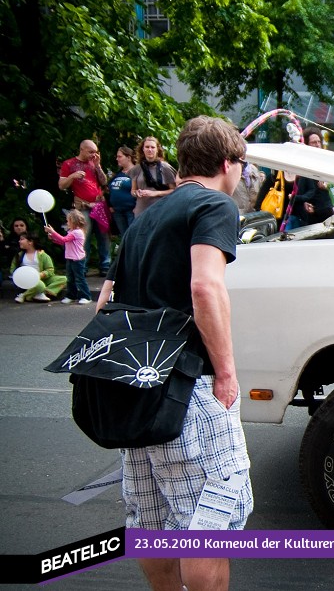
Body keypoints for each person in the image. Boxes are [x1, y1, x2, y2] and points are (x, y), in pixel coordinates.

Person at [97, 116, 253, 591]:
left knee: (153, 521)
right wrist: (225, 372)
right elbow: (205, 286)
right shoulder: (214, 206)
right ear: (227, 163)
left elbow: (104, 303)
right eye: (241, 167)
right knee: (208, 518)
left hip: (137, 387)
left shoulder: (145, 219)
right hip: (188, 387)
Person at [58, 139, 111, 275]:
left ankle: (105, 266)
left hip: (99, 204)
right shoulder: (69, 163)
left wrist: (98, 166)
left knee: (103, 235)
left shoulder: (94, 163)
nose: (93, 155)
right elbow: (61, 185)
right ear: (82, 149)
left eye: (95, 152)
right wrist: (72, 176)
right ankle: (83, 266)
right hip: (82, 205)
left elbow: (104, 182)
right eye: (90, 152)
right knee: (83, 236)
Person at [45, 210, 93, 304]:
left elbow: (64, 240)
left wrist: (53, 232)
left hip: (77, 259)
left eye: (68, 221)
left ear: (74, 221)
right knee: (70, 278)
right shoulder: (71, 231)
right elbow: (64, 242)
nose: (67, 223)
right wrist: (54, 238)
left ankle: (86, 296)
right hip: (71, 258)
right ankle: (71, 295)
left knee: (79, 279)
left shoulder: (77, 232)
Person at [10, 231, 66, 303]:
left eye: (22, 239)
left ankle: (41, 293)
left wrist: (41, 275)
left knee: (64, 279)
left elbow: (50, 269)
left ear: (30, 242)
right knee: (40, 285)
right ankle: (26, 294)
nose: (19, 241)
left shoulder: (42, 255)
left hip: (41, 278)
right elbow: (13, 269)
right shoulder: (19, 256)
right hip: (27, 280)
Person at [131, 136, 177, 217]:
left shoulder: (165, 167)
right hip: (141, 211)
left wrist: (155, 193)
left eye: (152, 147)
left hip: (160, 210)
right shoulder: (137, 169)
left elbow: (174, 190)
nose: (150, 149)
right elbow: (133, 191)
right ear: (143, 149)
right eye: (147, 147)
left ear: (157, 150)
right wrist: (137, 193)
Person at [108, 146, 137, 235]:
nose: (117, 159)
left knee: (132, 235)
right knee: (124, 237)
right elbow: (109, 190)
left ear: (128, 157)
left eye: (119, 156)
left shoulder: (137, 171)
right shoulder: (118, 174)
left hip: (131, 211)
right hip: (117, 211)